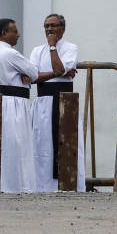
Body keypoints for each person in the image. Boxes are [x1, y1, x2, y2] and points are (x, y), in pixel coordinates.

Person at [29, 14, 84, 192]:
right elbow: (34, 76)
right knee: (42, 144)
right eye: (46, 26)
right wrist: (59, 72)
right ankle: (42, 187)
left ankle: (67, 185)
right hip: (44, 102)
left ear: (63, 28)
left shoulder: (70, 48)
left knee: (67, 144)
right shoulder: (37, 51)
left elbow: (59, 68)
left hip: (65, 104)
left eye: (53, 25)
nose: (49, 29)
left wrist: (53, 47)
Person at [0, 19, 39, 193]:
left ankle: (8, 184)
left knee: (7, 144)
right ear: (4, 34)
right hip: (16, 102)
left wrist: (25, 73)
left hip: (2, 101)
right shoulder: (11, 54)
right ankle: (21, 186)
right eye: (14, 31)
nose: (18, 35)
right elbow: (34, 72)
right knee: (19, 143)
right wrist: (26, 74)